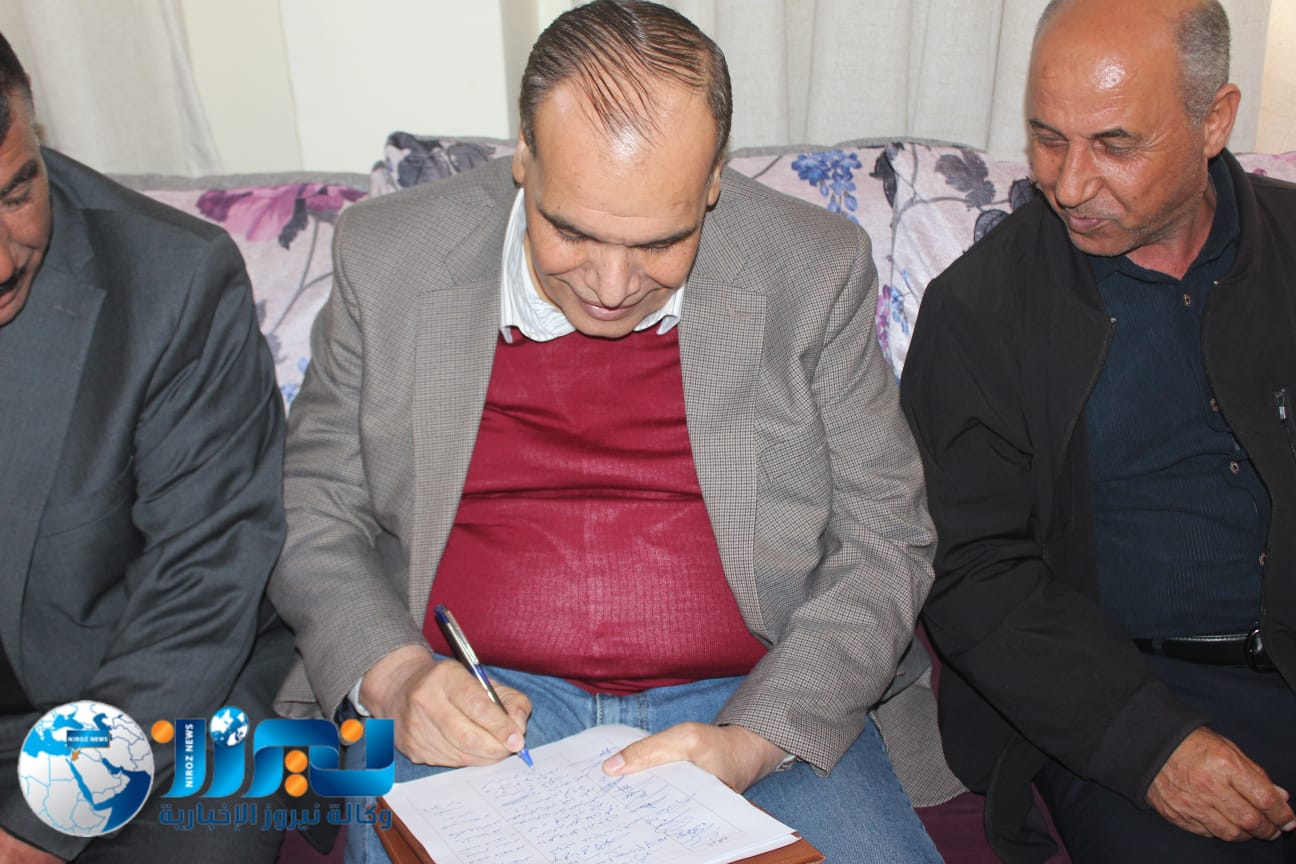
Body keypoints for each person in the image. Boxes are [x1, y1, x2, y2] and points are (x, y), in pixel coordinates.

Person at [269, 1, 956, 861]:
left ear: (713, 182)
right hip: (475, 705)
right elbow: (312, 506)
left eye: (661, 243)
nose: (611, 285)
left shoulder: (814, 268)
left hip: (756, 696)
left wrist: (751, 741)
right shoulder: (389, 257)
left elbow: (886, 536)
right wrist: (398, 676)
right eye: (572, 232)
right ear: (524, 158)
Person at [900, 0, 1296, 861]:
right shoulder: (979, 311)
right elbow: (971, 569)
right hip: (1124, 702)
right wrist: (1150, 748)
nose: (1071, 184)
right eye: (1048, 138)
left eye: (1116, 145)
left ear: (1215, 120)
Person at [0, 33, 292, 864]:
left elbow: (204, 588)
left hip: (151, 713)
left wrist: (36, 829)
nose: (2, 258)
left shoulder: (172, 284)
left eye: (18, 192)